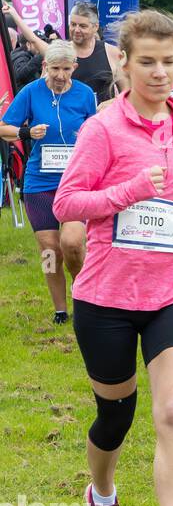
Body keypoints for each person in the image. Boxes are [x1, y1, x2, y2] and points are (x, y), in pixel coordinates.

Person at [51, 9, 173, 506]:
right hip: (105, 296)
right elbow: (67, 204)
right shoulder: (101, 129)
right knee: (115, 417)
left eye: (169, 62)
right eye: (146, 62)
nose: (158, 72)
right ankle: (102, 498)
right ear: (122, 62)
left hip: (171, 289)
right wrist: (124, 191)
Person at [0, 41, 97, 323]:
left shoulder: (85, 94)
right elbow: (4, 127)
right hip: (40, 183)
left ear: (74, 68)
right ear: (45, 67)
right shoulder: (31, 92)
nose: (60, 75)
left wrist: (86, 137)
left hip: (76, 182)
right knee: (49, 249)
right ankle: (60, 309)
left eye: (66, 69)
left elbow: (99, 132)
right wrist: (27, 132)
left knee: (73, 243)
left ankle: (85, 298)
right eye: (55, 68)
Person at [6, 0, 124, 103]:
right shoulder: (61, 51)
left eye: (82, 26)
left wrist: (110, 103)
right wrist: (13, 14)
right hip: (68, 124)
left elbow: (129, 94)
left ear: (95, 27)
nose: (76, 30)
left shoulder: (111, 53)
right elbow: (33, 39)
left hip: (101, 124)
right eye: (73, 24)